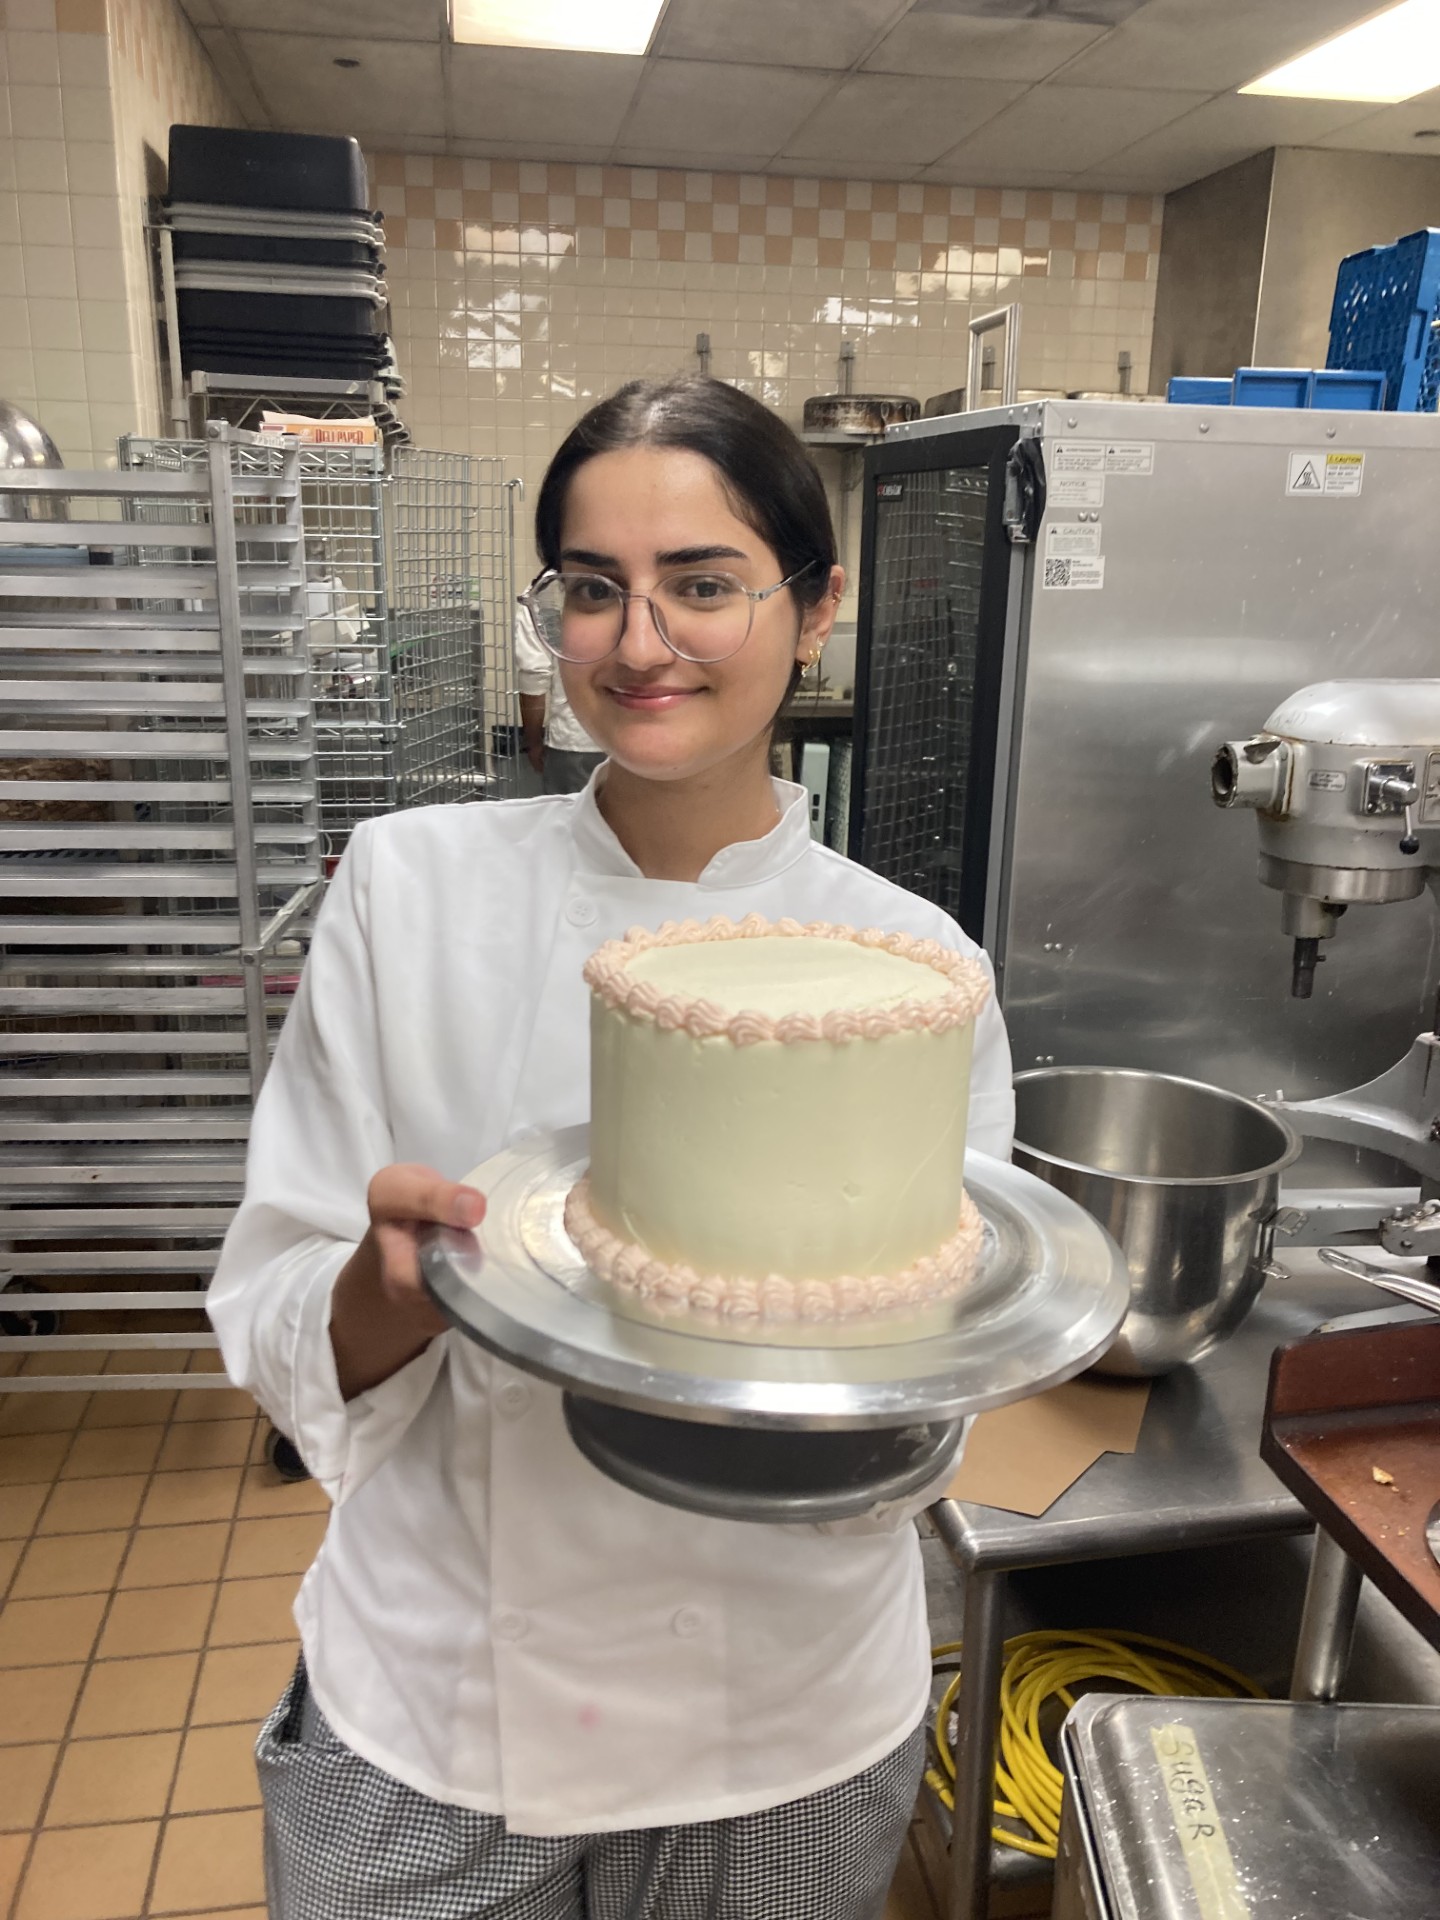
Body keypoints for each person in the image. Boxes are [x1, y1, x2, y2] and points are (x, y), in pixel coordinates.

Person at [209, 374, 1015, 1920]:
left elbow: (928, 1383)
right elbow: (276, 1302)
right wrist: (395, 1285)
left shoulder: (912, 972)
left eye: (702, 584)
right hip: (437, 1697)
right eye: (593, 592)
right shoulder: (404, 888)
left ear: (815, 604)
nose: (639, 644)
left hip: (774, 1716)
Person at [515, 602, 607, 793]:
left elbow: (534, 675)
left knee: (572, 819)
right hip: (639, 740)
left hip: (574, 741)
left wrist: (532, 741)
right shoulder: (635, 582)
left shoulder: (541, 597)